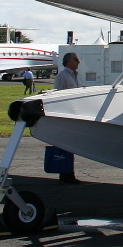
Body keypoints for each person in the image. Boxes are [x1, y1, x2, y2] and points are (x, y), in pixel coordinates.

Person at [50, 53, 81, 184]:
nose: (78, 62)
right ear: (69, 61)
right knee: (65, 145)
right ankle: (65, 173)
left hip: (73, 113)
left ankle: (69, 172)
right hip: (65, 114)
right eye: (76, 60)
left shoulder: (74, 75)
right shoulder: (63, 76)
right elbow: (58, 94)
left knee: (70, 146)